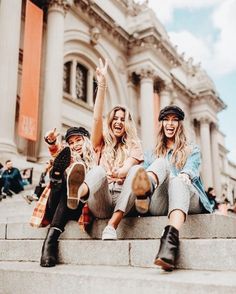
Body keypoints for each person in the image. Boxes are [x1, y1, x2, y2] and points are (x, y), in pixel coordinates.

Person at [131, 105, 213, 271]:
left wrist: (184, 176)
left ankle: (168, 243)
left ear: (180, 125)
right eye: (166, 119)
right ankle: (145, 191)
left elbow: (192, 168)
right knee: (160, 162)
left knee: (177, 180)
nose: (170, 123)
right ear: (161, 124)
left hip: (189, 199)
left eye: (175, 120)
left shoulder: (192, 149)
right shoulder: (151, 153)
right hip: (160, 202)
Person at [71, 58, 144, 240]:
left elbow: (130, 166)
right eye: (115, 118)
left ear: (127, 124)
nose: (118, 121)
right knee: (97, 171)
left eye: (123, 119)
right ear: (110, 121)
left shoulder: (135, 145)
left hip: (124, 200)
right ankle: (75, 194)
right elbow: (96, 119)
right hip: (101, 199)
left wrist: (121, 172)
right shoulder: (101, 142)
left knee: (136, 170)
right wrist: (102, 85)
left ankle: (112, 226)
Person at [30, 126, 96, 267]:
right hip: (54, 203)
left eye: (78, 140)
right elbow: (58, 152)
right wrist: (52, 141)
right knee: (67, 171)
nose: (75, 145)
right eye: (71, 143)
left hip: (77, 206)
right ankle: (57, 178)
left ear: (87, 141)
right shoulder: (69, 158)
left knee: (69, 176)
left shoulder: (96, 159)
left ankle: (49, 242)